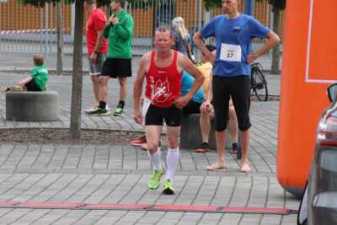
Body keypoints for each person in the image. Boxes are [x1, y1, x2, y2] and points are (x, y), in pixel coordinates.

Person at [193, 0, 280, 172]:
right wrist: (207, 53)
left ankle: (245, 160)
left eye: (229, 1)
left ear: (237, 3)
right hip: (219, 75)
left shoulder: (248, 21)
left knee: (243, 119)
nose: (226, 4)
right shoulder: (218, 21)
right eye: (224, 1)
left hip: (240, 76)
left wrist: (254, 55)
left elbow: (274, 38)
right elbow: (197, 37)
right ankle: (220, 160)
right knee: (219, 119)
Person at [133, 26, 204, 195]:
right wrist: (136, 108)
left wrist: (187, 97)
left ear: (172, 41)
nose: (162, 43)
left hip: (173, 105)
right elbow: (137, 84)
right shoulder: (146, 59)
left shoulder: (180, 59)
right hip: (153, 104)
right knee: (152, 145)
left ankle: (169, 179)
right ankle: (157, 170)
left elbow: (200, 77)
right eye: (159, 40)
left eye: (165, 40)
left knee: (173, 143)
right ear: (154, 41)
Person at [88, 0, 134, 116]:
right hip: (111, 54)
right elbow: (106, 35)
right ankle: (102, 106)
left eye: (113, 2)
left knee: (122, 81)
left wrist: (117, 24)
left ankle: (120, 106)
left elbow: (126, 36)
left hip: (123, 55)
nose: (110, 4)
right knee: (102, 79)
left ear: (118, 3)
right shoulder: (112, 16)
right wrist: (107, 26)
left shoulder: (127, 18)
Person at [193, 45, 239, 155]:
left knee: (232, 110)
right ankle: (205, 143)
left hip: (229, 104)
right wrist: (208, 101)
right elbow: (211, 91)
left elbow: (236, 97)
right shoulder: (215, 71)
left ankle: (235, 144)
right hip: (217, 104)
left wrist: (224, 105)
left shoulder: (236, 73)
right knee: (204, 108)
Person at [84, 0, 108, 113]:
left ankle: (103, 106)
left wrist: (95, 52)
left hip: (98, 52)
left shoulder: (97, 15)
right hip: (93, 52)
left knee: (100, 79)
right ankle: (98, 104)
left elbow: (101, 35)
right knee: (94, 78)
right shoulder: (92, 15)